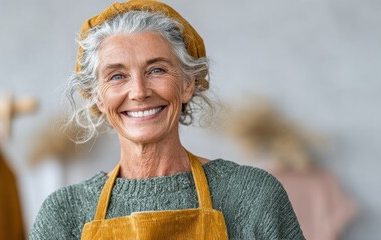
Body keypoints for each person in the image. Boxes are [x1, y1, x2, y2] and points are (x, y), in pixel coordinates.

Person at [30, 0, 305, 239]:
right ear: (98, 98)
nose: (139, 91)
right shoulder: (64, 214)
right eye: (117, 76)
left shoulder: (252, 196)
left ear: (187, 83)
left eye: (157, 70)